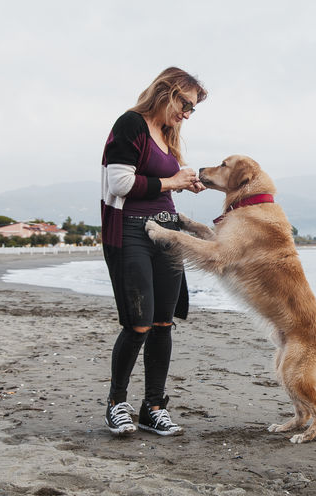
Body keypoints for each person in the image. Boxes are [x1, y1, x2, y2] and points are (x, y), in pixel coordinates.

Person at [100, 67, 208, 436]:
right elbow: (120, 183)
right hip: (131, 231)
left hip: (168, 232)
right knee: (138, 324)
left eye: (193, 109)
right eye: (185, 104)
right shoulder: (131, 124)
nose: (187, 114)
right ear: (166, 92)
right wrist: (171, 180)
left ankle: (153, 408)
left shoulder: (167, 133)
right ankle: (116, 404)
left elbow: (160, 183)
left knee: (163, 324)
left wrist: (182, 184)